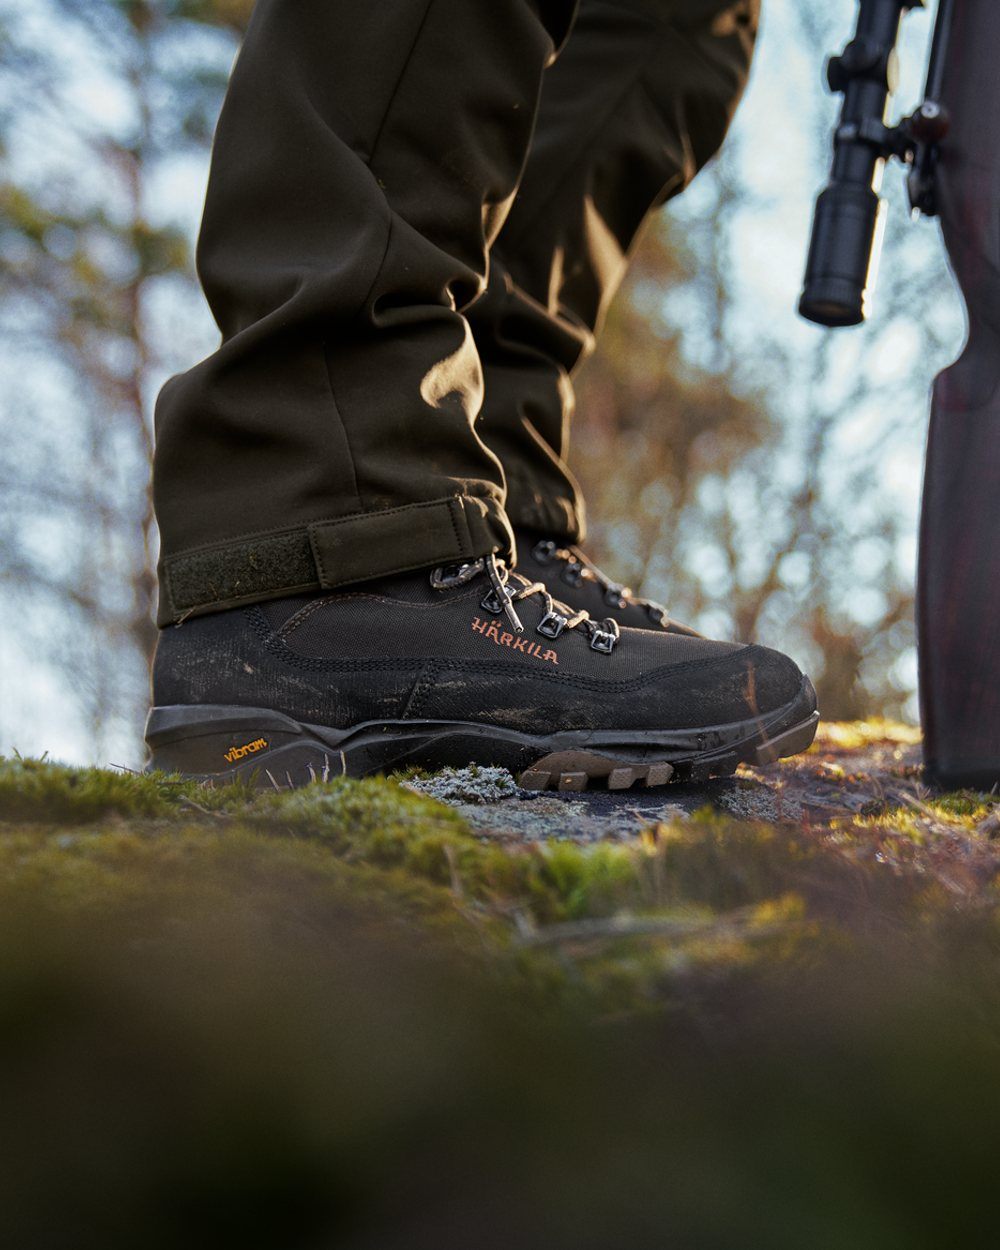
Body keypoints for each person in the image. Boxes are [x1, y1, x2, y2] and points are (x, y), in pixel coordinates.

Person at [145, 0, 819, 790]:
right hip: (320, 525)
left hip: (479, 475)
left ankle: (486, 507)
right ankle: (340, 531)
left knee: (678, 23)